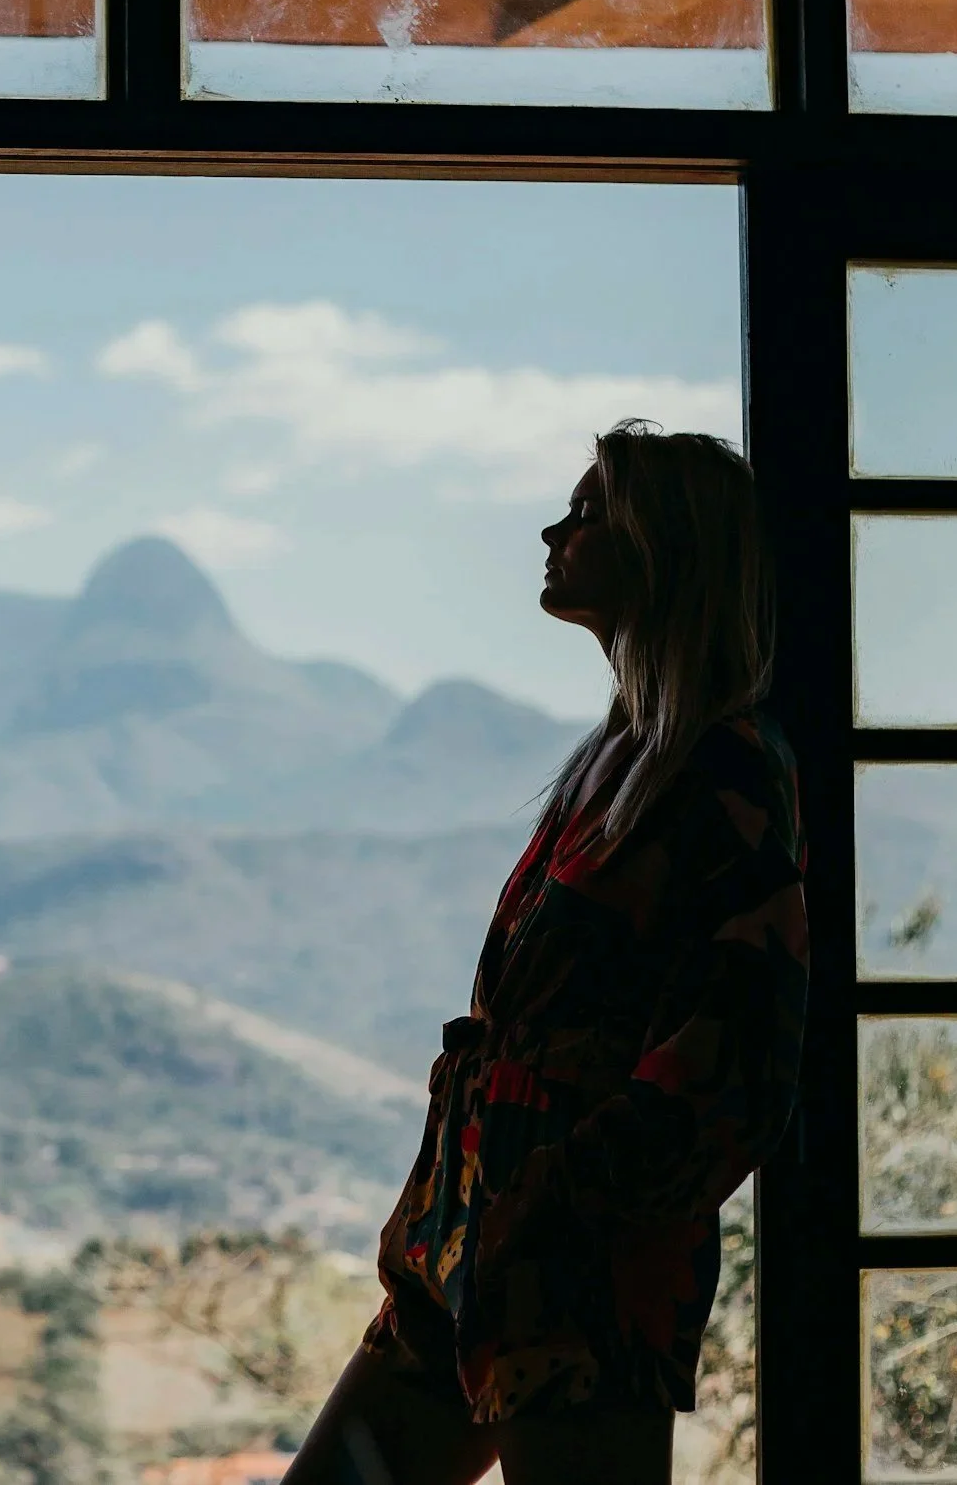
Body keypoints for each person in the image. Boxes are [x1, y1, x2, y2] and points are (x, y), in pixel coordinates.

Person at [285, 422, 809, 1485]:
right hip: (472, 1251)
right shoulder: (616, 764)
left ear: (658, 551)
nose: (553, 531)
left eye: (586, 515)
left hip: (576, 1274)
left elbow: (738, 1050)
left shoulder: (723, 773)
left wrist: (566, 1204)